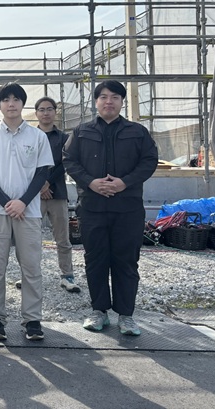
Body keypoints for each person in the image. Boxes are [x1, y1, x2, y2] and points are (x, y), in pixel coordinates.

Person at [63, 80, 158, 336]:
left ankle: (126, 315)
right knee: (95, 260)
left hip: (127, 208)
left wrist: (124, 182)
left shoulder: (137, 132)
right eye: (103, 96)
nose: (109, 101)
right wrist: (91, 182)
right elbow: (69, 160)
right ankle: (99, 311)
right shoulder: (81, 132)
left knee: (126, 261)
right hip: (92, 207)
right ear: (96, 101)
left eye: (115, 97)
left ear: (122, 102)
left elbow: (149, 160)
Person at [0, 83, 53, 341]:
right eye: (6, 99)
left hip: (29, 211)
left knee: (31, 266)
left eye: (16, 99)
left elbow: (42, 172)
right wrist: (8, 202)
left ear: (22, 103)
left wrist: (22, 202)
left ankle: (32, 319)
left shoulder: (37, 136)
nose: (11, 104)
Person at [35, 97, 80, 293]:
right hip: (33, 195)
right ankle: (30, 274)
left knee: (62, 238)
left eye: (49, 109)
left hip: (58, 192)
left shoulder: (63, 138)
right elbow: (25, 164)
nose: (46, 113)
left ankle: (67, 275)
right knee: (30, 237)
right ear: (36, 113)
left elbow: (65, 163)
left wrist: (47, 183)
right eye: (42, 109)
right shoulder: (30, 136)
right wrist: (39, 185)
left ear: (55, 112)